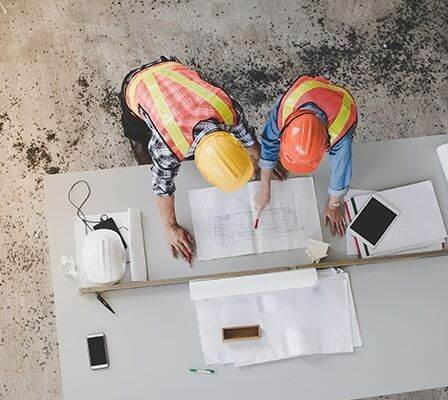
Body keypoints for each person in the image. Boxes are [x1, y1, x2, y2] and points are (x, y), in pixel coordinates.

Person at [119, 56, 264, 265]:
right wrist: (169, 226)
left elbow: (244, 132)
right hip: (137, 85)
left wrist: (261, 158)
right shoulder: (167, 146)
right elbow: (162, 186)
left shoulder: (226, 107)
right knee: (138, 133)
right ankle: (139, 140)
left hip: (171, 69)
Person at [255, 75, 358, 237]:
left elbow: (341, 168)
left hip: (338, 102)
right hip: (308, 91)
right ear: (284, 133)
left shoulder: (341, 129)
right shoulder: (285, 108)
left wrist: (334, 205)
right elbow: (269, 141)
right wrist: (264, 188)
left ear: (326, 145)